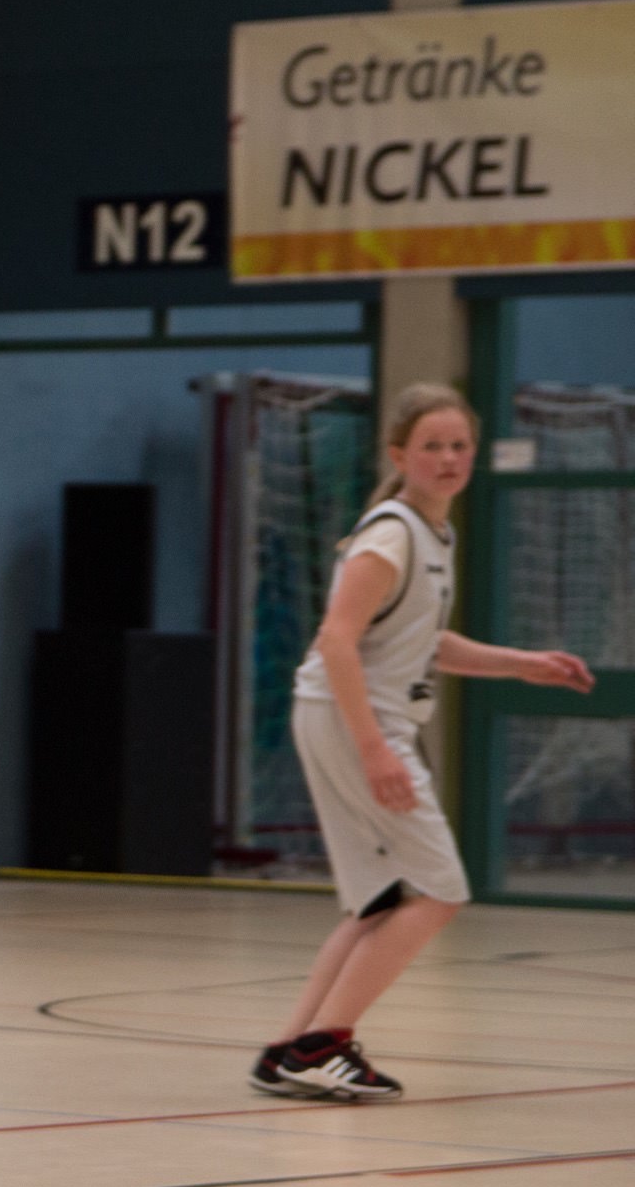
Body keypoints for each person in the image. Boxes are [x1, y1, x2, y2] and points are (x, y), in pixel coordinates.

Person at [253, 382, 593, 1100]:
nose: (448, 458)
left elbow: (420, 641)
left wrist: (521, 663)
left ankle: (290, 1047)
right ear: (399, 454)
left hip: (339, 716)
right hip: (353, 719)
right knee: (440, 890)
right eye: (432, 446)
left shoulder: (434, 535)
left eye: (459, 445)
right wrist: (375, 748)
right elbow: (336, 641)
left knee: (379, 902)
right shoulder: (391, 535)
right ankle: (324, 1046)